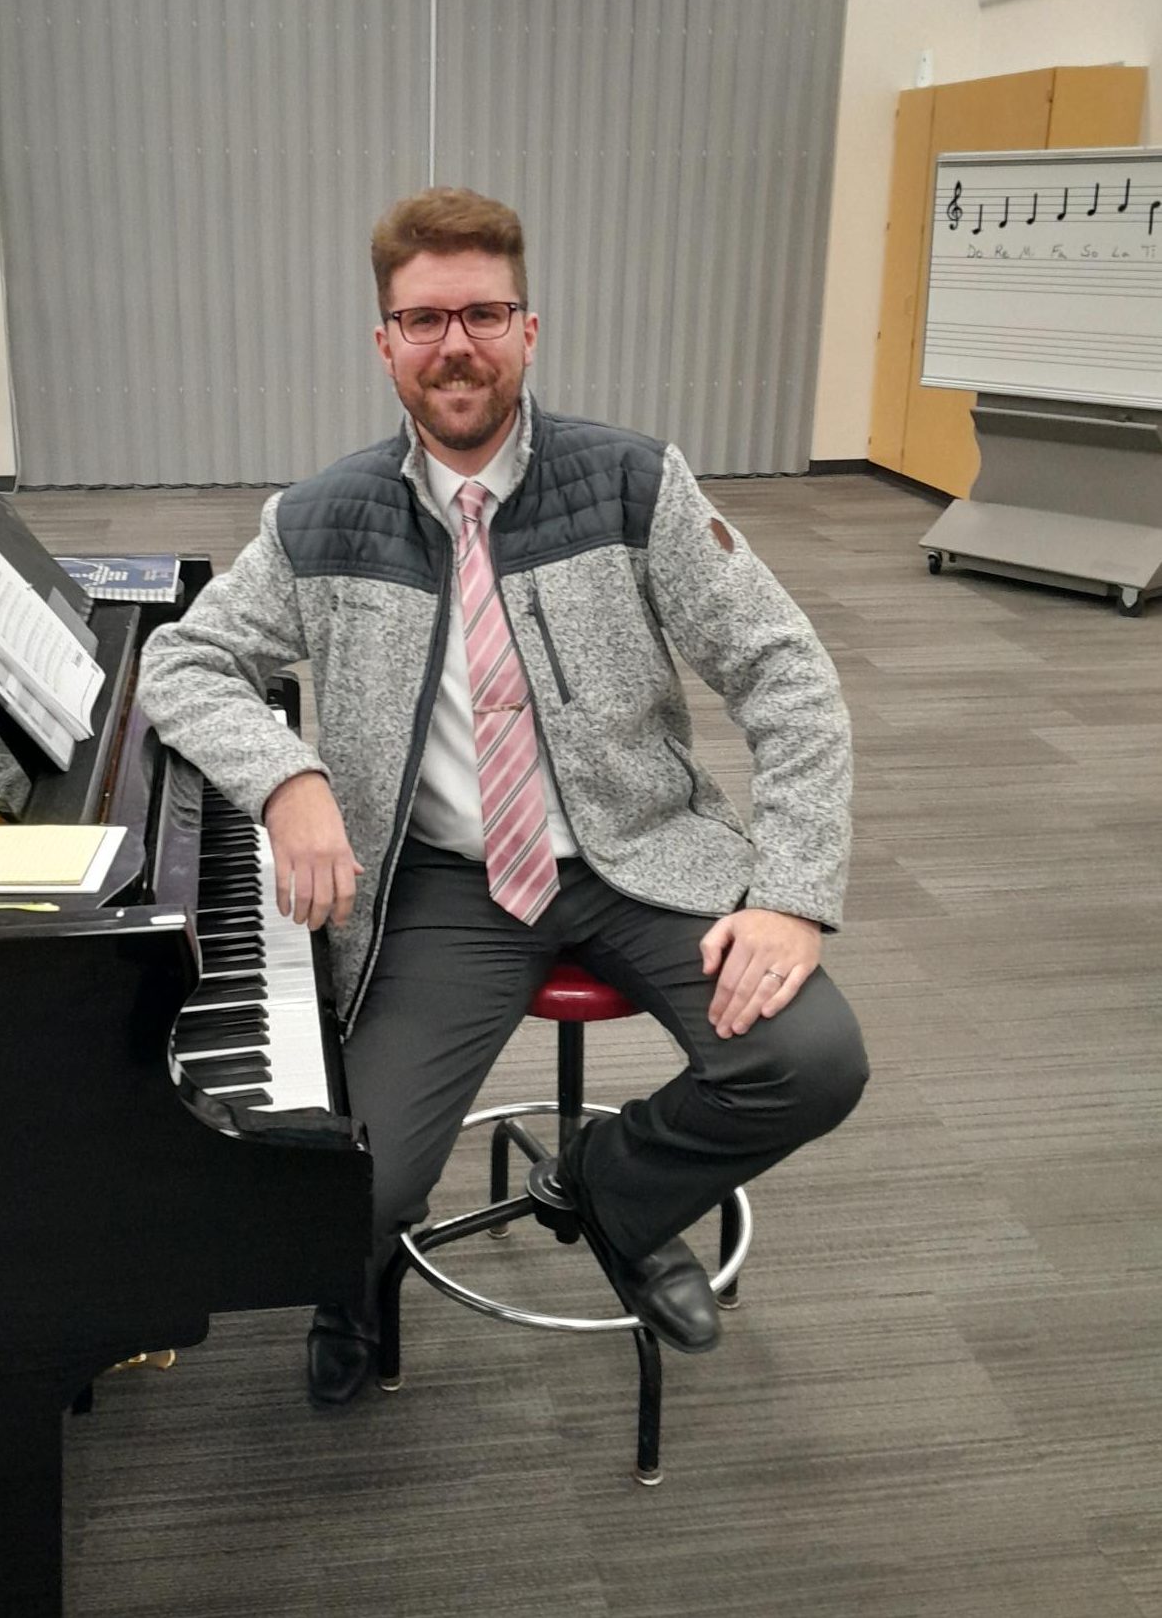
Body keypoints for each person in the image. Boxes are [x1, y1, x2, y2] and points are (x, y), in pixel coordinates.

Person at [138, 187, 868, 1406]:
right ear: (385, 344)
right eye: (423, 320)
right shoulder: (320, 519)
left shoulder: (636, 485)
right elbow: (183, 660)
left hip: (641, 854)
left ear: (530, 329)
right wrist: (289, 775)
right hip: (449, 883)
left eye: (483, 312)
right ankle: (350, 1282)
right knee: (350, 1185)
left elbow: (787, 674)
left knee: (813, 1058)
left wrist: (793, 893)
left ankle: (618, 1190)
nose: (455, 344)